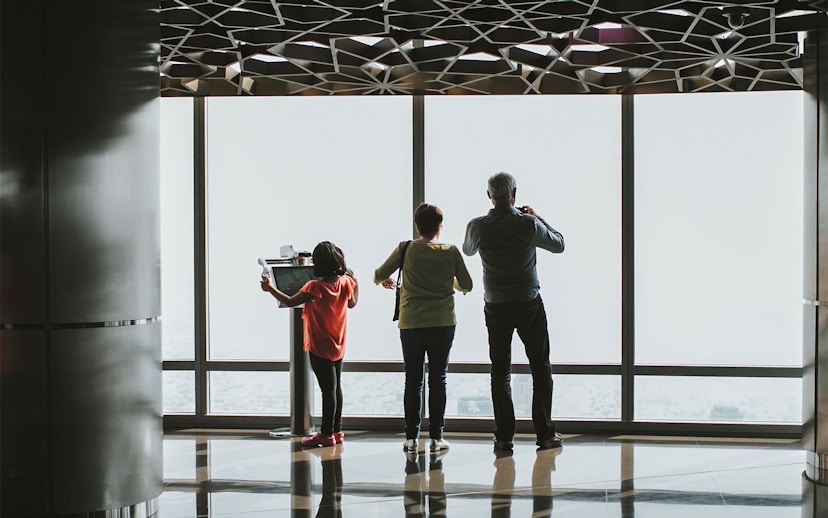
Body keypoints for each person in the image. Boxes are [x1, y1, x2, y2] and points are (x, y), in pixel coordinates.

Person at [462, 172, 565, 456]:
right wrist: (538, 216)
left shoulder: (477, 226)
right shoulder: (527, 223)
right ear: (514, 194)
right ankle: (545, 433)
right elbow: (558, 244)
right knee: (540, 368)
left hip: (496, 304)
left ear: (489, 196)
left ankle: (504, 438)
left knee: (500, 371)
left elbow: (468, 251)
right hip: (528, 302)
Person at [375, 203, 473, 454]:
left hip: (411, 324)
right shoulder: (450, 251)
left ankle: (411, 438)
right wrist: (449, 282)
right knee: (438, 379)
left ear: (417, 226)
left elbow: (379, 274)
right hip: (442, 322)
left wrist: (384, 280)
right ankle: (437, 438)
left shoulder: (405, 248)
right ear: (440, 226)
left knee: (413, 380)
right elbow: (467, 285)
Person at [261, 241, 358, 448]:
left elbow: (289, 301)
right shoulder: (346, 282)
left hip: (319, 345)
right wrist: (355, 280)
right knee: (335, 388)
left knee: (327, 391)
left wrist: (270, 289)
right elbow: (352, 303)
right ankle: (337, 431)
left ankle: (325, 435)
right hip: (338, 343)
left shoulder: (314, 287)